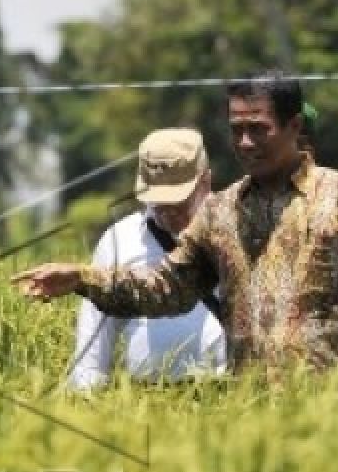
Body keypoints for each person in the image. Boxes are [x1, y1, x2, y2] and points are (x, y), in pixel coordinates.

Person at [15, 71, 338, 376]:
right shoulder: (220, 212)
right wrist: (84, 279)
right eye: (237, 130)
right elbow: (167, 289)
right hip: (247, 419)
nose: (246, 142)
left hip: (334, 417)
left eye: (258, 128)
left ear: (295, 126)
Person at [69, 128, 226, 390]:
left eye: (178, 202)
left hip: (231, 399)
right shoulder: (120, 239)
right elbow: (92, 349)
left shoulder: (239, 232)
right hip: (147, 405)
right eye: (158, 202)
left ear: (206, 182)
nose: (168, 214)